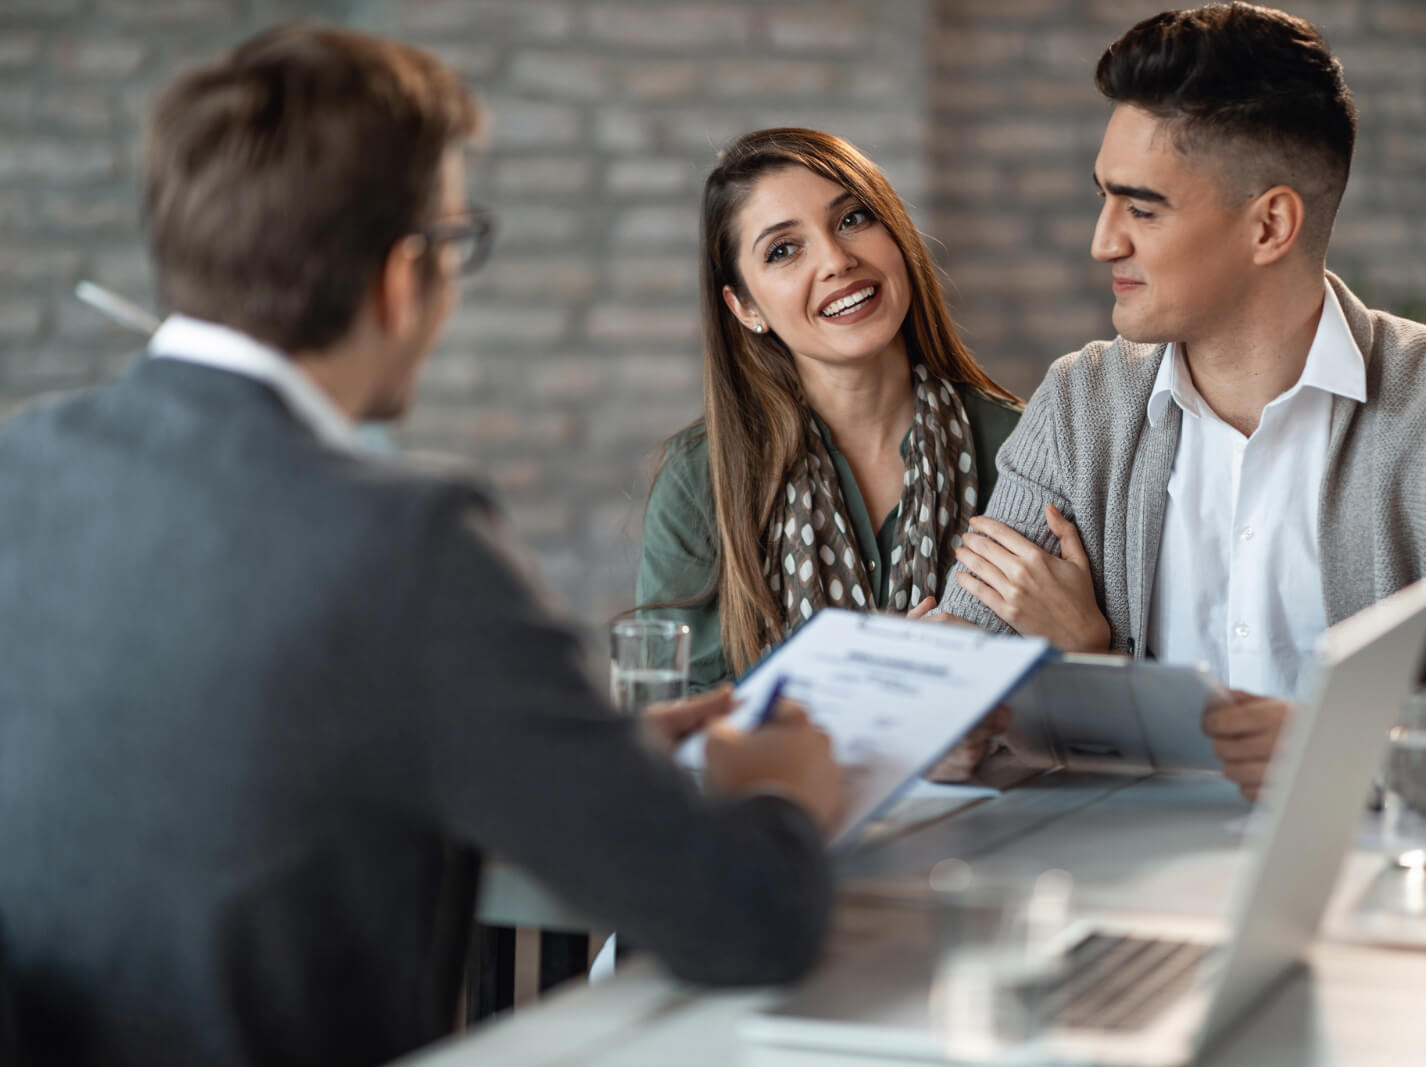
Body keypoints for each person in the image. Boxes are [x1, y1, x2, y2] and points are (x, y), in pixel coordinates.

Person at [0, 26, 843, 1067]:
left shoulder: (20, 462)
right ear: (404, 278)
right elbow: (748, 919)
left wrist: (577, 752)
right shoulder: (407, 543)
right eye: (455, 240)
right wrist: (781, 791)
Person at [936, 3, 1426, 799]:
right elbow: (963, 655)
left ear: (1270, 226)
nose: (1102, 239)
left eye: (1141, 208)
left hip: (1372, 888)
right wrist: (938, 714)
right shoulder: (1079, 407)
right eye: (1104, 199)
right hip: (1119, 878)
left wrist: (1340, 751)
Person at [636, 128, 1023, 697]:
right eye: (783, 250)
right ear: (744, 307)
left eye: (852, 220)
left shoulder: (1021, 446)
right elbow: (666, 721)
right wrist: (850, 694)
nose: (837, 261)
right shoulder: (700, 480)